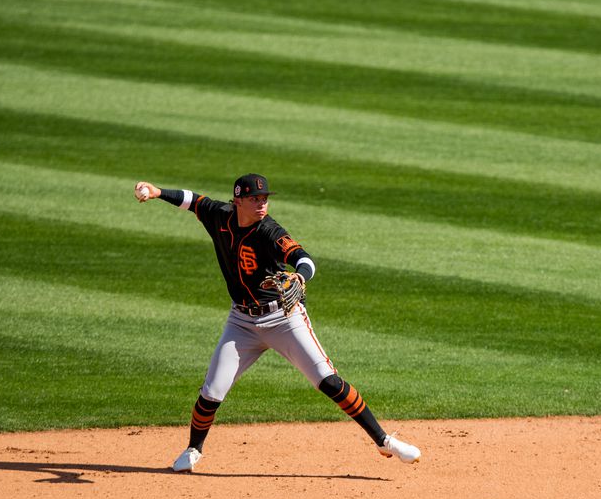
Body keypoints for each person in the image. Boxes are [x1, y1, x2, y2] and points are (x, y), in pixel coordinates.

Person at [134, 173, 421, 471]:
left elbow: (303, 257)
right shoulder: (219, 215)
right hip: (241, 322)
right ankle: (194, 449)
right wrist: (157, 192)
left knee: (329, 381)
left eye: (265, 198)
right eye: (255, 199)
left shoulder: (269, 231)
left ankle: (384, 441)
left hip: (283, 317)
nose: (261, 204)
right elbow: (193, 200)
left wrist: (300, 275)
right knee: (211, 392)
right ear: (238, 201)